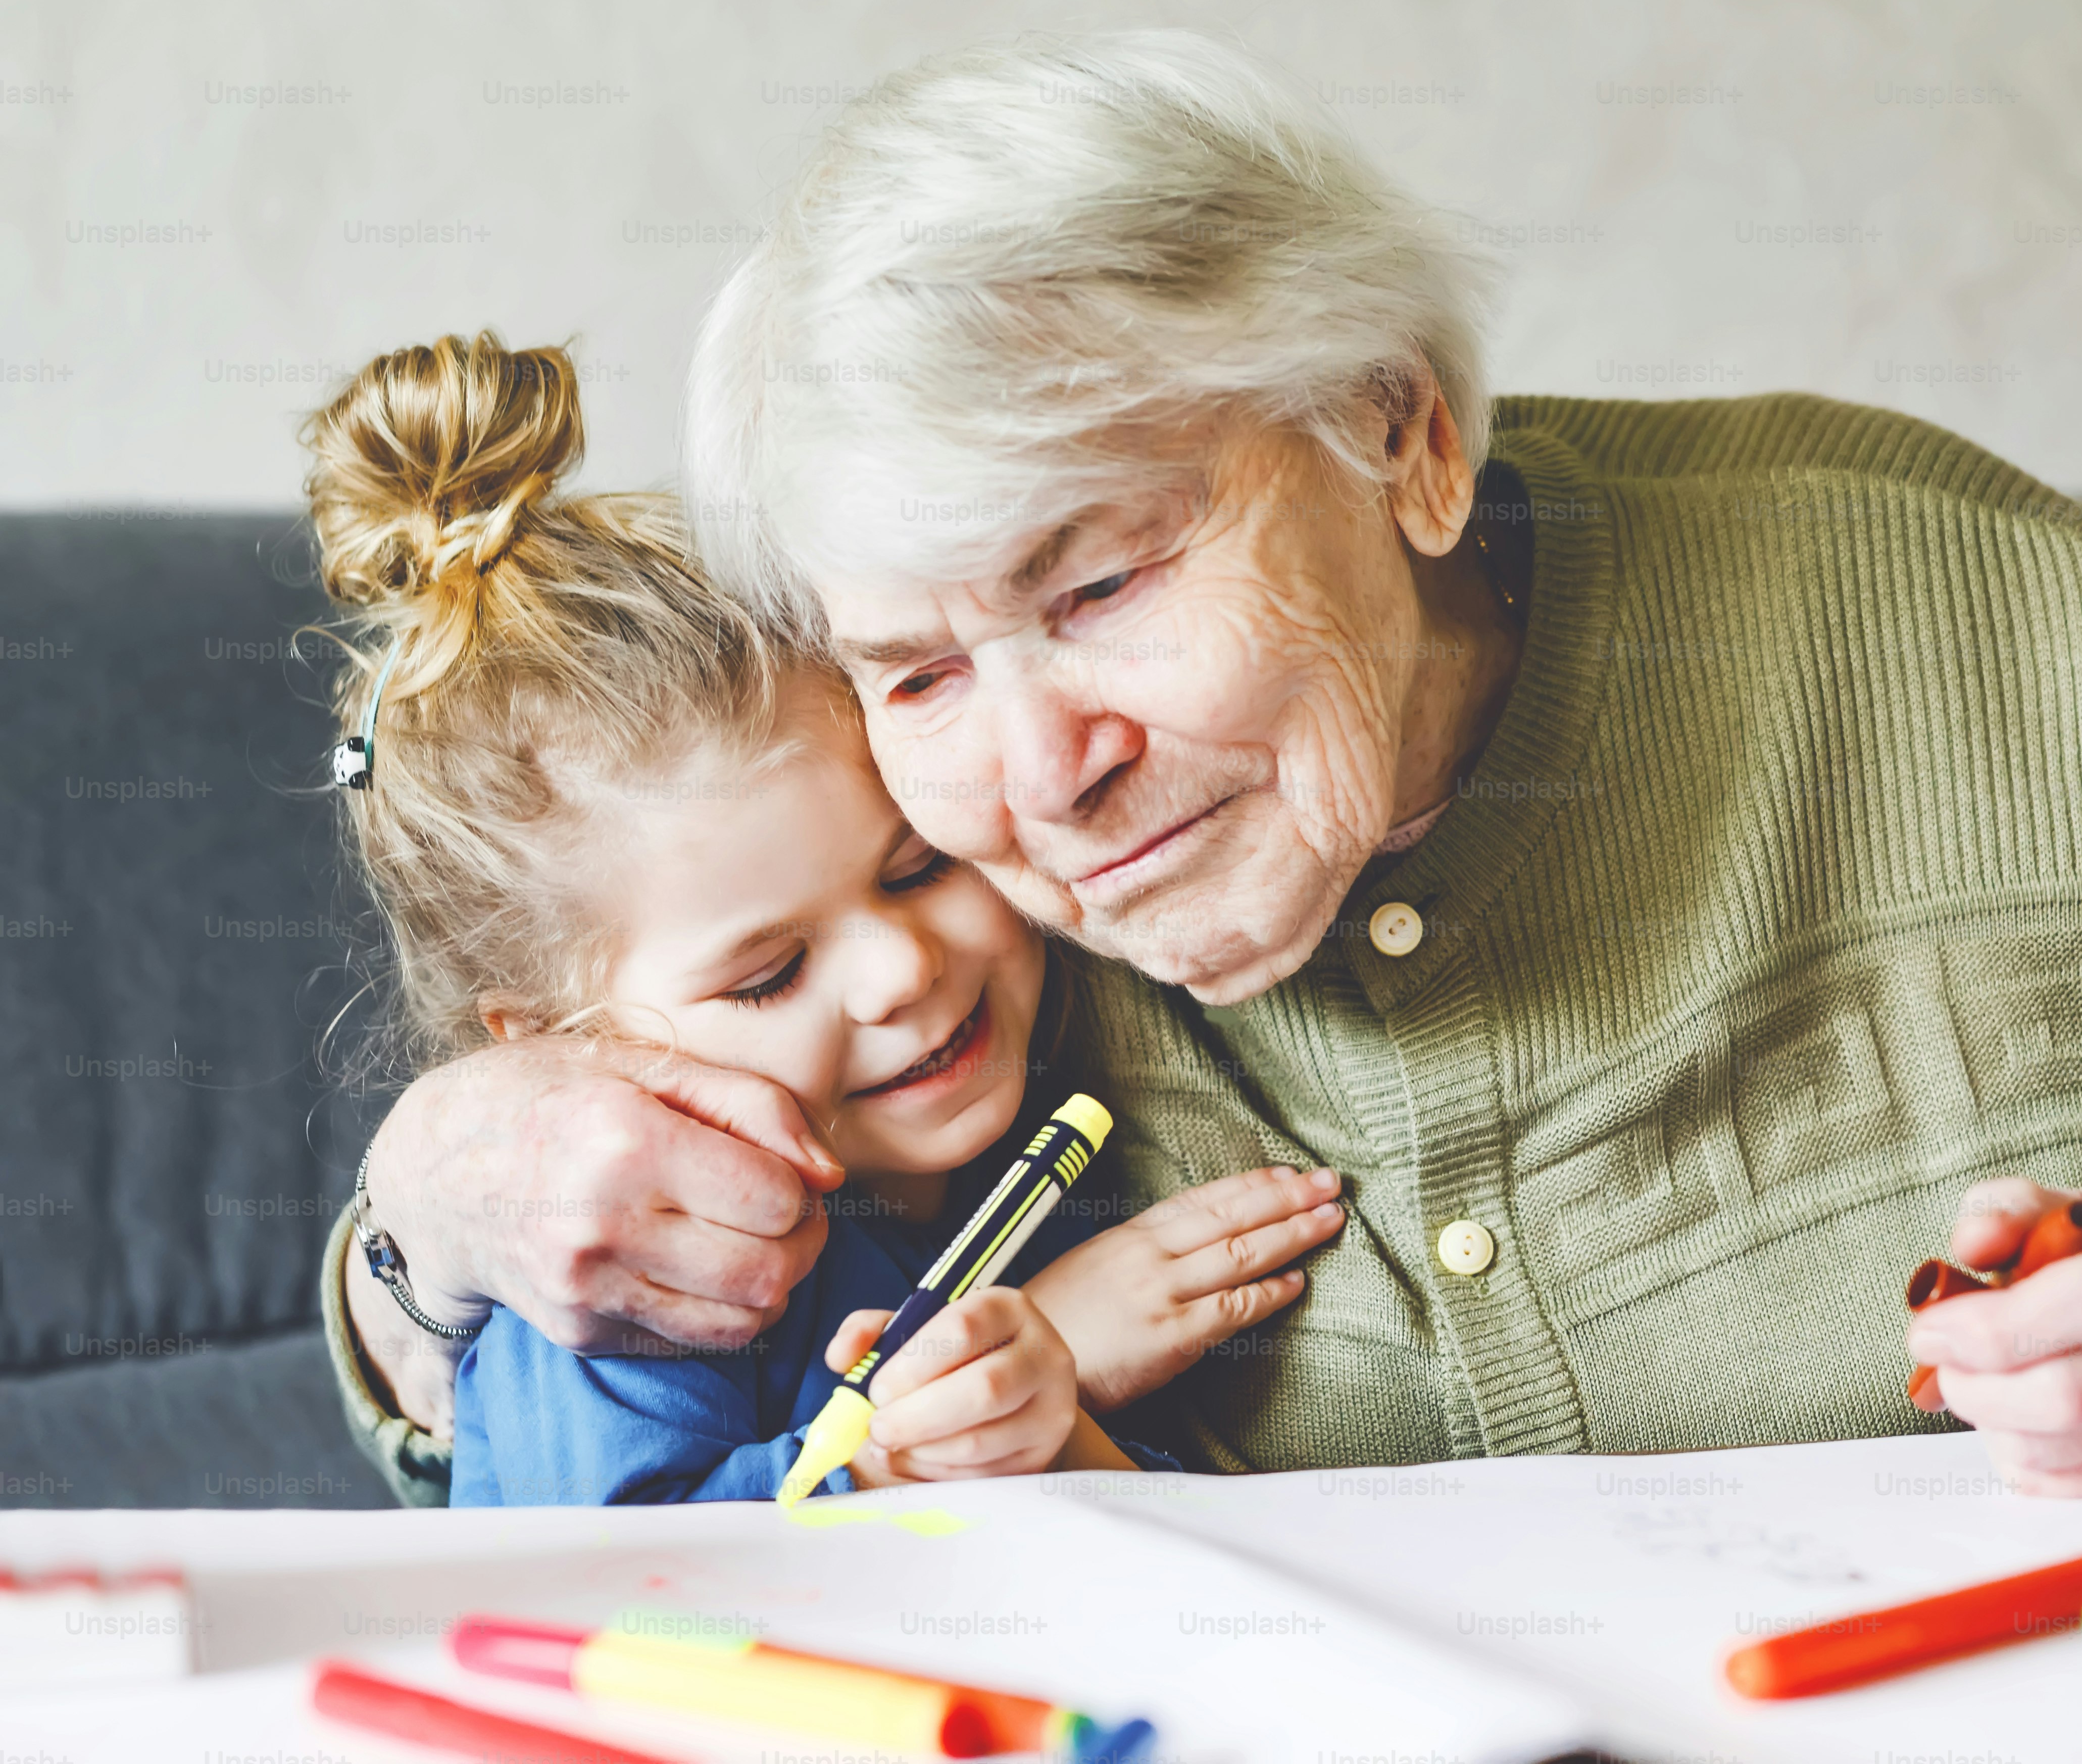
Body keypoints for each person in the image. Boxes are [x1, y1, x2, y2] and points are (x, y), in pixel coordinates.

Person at [329, 33, 2082, 1505]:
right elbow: (597, 1423)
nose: (1041, 780)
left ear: (1398, 426)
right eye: (916, 664)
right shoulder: (928, 922)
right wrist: (433, 1204)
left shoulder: (1928, 600)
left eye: (1095, 589)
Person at [306, 332, 1342, 1503]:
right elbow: (621, 1597)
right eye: (768, 975)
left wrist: (1056, 1411)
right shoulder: (626, 1295)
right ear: (557, 1057)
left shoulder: (1046, 1135)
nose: (901, 969)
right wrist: (922, 1441)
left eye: (915, 868)